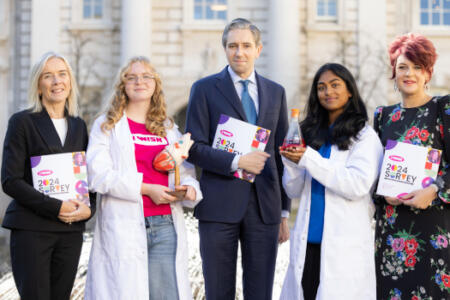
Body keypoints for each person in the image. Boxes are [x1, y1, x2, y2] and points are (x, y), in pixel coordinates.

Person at [185, 18, 290, 299]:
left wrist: (283, 212)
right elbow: (193, 148)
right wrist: (236, 161)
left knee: (260, 292)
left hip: (264, 206)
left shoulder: (276, 92)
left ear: (258, 49)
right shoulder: (204, 89)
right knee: (219, 291)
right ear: (225, 49)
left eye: (246, 46)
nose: (238, 52)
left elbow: (281, 157)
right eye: (232, 46)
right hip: (219, 205)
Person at [85, 56, 202, 300]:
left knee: (165, 295)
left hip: (165, 225)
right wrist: (147, 189)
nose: (140, 81)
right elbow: (98, 175)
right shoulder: (107, 126)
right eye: (132, 77)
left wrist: (189, 189)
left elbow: (186, 171)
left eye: (146, 76)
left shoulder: (168, 128)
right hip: (123, 225)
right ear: (123, 85)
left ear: (155, 84)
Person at [279, 63, 384, 300]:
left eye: (335, 85)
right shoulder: (310, 133)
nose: (328, 92)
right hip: (308, 246)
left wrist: (308, 158)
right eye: (321, 87)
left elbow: (356, 185)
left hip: (343, 248)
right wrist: (291, 162)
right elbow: (293, 190)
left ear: (349, 91)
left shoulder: (364, 136)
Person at [1, 52, 96, 300]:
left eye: (62, 74)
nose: (57, 81)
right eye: (48, 76)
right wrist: (56, 207)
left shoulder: (78, 125)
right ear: (38, 84)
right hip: (32, 229)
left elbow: (88, 177)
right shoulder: (22, 122)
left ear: (70, 81)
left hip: (70, 232)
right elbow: (10, 180)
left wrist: (90, 209)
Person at [374, 33, 450, 299]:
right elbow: (374, 172)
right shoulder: (383, 116)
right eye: (403, 66)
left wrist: (435, 190)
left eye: (417, 67)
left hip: (433, 228)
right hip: (392, 228)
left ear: (428, 73)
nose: (410, 73)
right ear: (393, 71)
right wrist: (382, 192)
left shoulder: (443, 109)